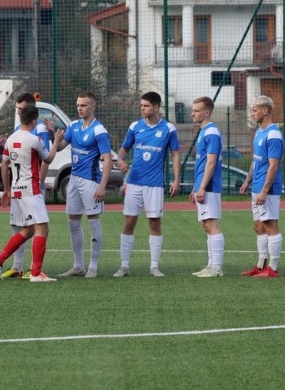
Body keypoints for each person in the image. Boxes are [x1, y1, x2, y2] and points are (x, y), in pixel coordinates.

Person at [0, 104, 58, 283]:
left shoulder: (11, 139)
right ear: (34, 121)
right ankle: (36, 273)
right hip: (31, 190)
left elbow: (4, 164)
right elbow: (48, 159)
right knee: (42, 228)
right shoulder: (34, 140)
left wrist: (6, 189)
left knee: (27, 230)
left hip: (17, 189)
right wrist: (56, 140)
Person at [113, 91, 180, 278]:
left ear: (156, 107)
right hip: (134, 182)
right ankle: (124, 266)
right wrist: (120, 160)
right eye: (141, 105)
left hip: (154, 184)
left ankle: (154, 266)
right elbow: (123, 150)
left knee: (154, 223)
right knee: (129, 222)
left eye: (146, 105)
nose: (142, 108)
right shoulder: (135, 126)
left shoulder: (168, 129)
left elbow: (175, 154)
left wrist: (176, 179)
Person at [54, 91, 113, 279]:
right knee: (73, 221)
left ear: (93, 106)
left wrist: (102, 185)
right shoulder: (73, 126)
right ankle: (78, 265)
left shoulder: (99, 130)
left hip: (90, 181)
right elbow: (61, 146)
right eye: (78, 105)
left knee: (93, 220)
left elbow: (107, 159)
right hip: (74, 178)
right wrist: (54, 135)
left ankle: (93, 266)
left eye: (84, 105)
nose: (80, 108)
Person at [239, 95, 284, 278]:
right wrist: (247, 180)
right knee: (258, 226)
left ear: (265, 111)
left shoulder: (274, 135)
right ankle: (260, 265)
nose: (252, 113)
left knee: (270, 225)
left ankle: (273, 268)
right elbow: (256, 160)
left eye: (254, 110)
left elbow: (273, 165)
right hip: (256, 186)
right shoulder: (259, 132)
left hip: (268, 189)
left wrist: (265, 190)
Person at [189, 96, 226, 278]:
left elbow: (211, 162)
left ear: (207, 112)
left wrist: (202, 187)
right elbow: (202, 163)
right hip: (203, 185)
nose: (192, 114)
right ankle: (211, 265)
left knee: (211, 224)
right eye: (193, 110)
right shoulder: (204, 131)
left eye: (196, 111)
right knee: (206, 224)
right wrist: (195, 188)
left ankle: (217, 268)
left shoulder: (211, 132)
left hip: (209, 185)